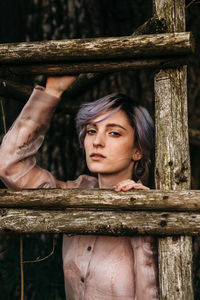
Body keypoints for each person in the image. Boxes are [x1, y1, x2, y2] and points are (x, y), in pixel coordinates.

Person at [0, 76, 158, 299]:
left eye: (114, 133)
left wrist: (144, 220)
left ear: (138, 150)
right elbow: (10, 166)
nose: (97, 141)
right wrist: (52, 92)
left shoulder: (152, 205)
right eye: (92, 131)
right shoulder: (73, 195)